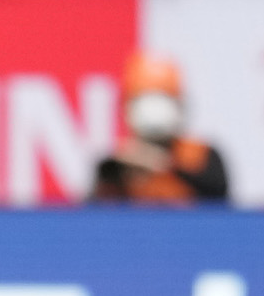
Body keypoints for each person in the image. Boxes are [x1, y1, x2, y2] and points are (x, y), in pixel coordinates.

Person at [93, 52, 228, 204]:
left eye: (163, 99)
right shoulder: (118, 164)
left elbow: (220, 199)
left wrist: (163, 164)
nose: (154, 111)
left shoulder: (202, 156)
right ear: (127, 106)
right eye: (143, 100)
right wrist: (119, 176)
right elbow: (95, 214)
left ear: (179, 104)